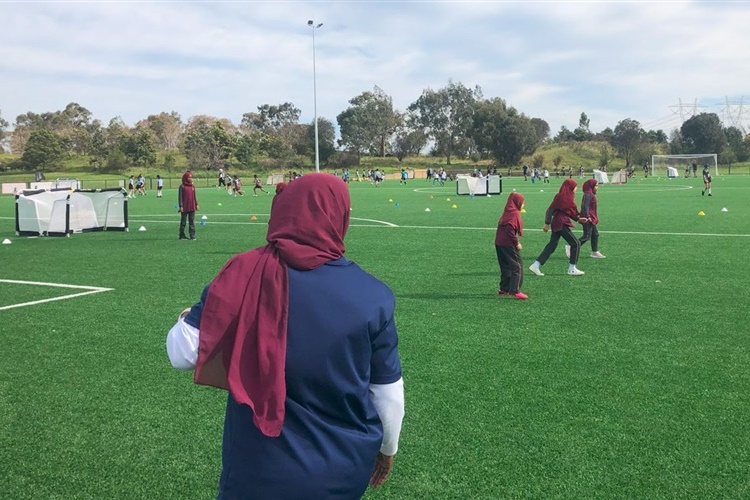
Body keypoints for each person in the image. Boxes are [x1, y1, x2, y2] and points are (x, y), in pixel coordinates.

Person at [166, 174, 405, 498]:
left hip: (256, 471)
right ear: (341, 217)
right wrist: (387, 448)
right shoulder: (373, 296)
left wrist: (187, 315)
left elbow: (182, 353)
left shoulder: (244, 272)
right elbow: (388, 396)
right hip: (343, 469)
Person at [528, 179, 588, 277]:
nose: (576, 188)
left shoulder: (567, 197)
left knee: (552, 245)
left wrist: (578, 219)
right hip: (561, 223)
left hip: (558, 223)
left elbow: (569, 211)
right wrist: (547, 223)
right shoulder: (561, 197)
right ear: (570, 187)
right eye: (575, 186)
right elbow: (550, 210)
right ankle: (572, 268)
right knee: (576, 243)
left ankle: (536, 265)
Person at [495, 192, 527, 299]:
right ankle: (514, 290)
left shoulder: (507, 212)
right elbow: (509, 229)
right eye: (522, 203)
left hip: (499, 242)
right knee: (517, 266)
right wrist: (516, 242)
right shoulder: (514, 213)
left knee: (505, 266)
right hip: (508, 243)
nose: (523, 205)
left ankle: (503, 289)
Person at [567, 179, 605, 259]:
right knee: (587, 236)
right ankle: (571, 247)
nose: (597, 187)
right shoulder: (588, 194)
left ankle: (594, 252)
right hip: (587, 218)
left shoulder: (590, 194)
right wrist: (587, 216)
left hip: (591, 218)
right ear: (591, 186)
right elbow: (585, 206)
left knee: (595, 234)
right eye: (596, 186)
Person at [177, 170, 199, 240]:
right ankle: (181, 235)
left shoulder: (192, 186)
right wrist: (181, 206)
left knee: (192, 221)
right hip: (184, 206)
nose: (191, 179)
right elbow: (180, 197)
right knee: (183, 222)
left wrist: (196, 204)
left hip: (192, 206)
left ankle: (192, 236)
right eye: (189, 177)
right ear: (186, 178)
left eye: (191, 177)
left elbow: (194, 196)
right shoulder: (182, 186)